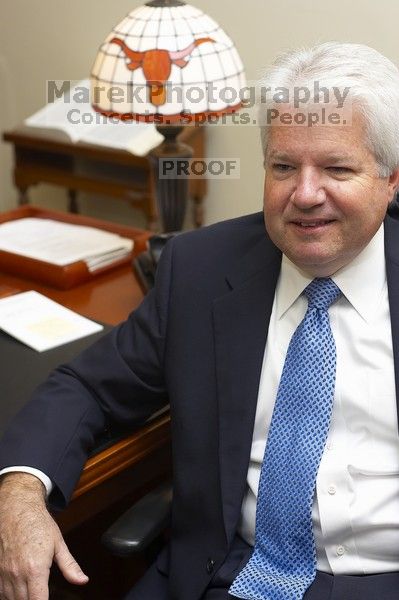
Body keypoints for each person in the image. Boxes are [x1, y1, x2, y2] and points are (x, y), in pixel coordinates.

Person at [1, 40, 399, 600]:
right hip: (224, 574)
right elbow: (87, 387)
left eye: (336, 167)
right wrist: (18, 494)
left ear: (390, 179)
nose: (305, 195)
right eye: (283, 166)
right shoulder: (199, 269)